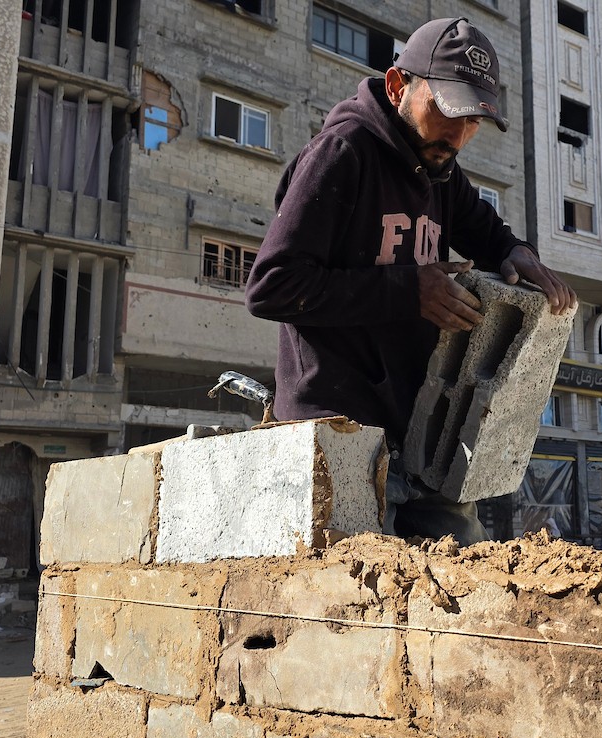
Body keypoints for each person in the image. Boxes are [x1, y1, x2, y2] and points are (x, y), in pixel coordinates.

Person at [245, 17, 576, 546]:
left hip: (421, 435)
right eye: (446, 111)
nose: (458, 134)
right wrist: (408, 290)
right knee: (356, 604)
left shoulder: (440, 166)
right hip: (338, 429)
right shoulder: (342, 154)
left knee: (458, 597)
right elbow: (272, 286)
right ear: (399, 85)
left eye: (473, 122)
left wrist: (520, 255)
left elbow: (489, 233)